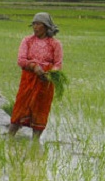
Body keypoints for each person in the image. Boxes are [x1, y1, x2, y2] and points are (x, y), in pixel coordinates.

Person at [9, 12, 64, 141]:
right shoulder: (27, 41)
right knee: (21, 107)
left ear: (46, 26)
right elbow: (21, 60)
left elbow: (58, 64)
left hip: (45, 82)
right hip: (28, 79)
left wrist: (51, 74)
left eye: (38, 24)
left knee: (41, 109)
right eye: (33, 24)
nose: (35, 27)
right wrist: (34, 66)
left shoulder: (55, 44)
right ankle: (10, 138)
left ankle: (35, 142)